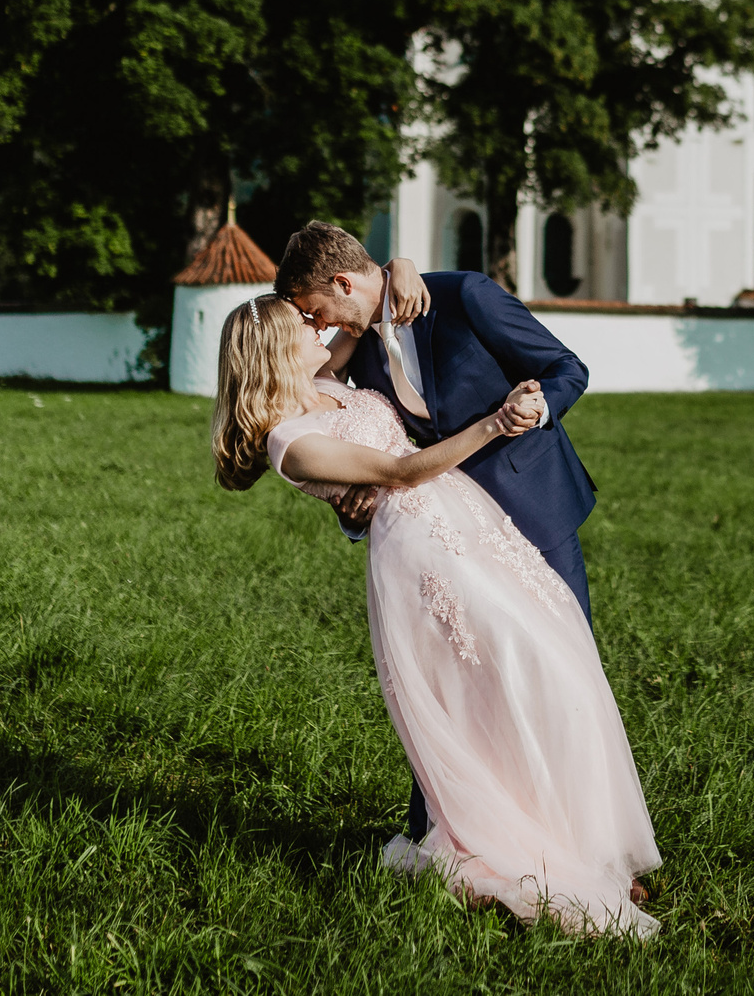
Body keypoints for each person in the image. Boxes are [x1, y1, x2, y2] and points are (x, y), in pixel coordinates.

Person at [210, 292, 659, 936]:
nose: (320, 328)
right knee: (501, 681)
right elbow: (401, 470)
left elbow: (364, 308)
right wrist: (496, 423)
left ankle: (585, 844)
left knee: (551, 671)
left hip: (470, 522)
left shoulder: (323, 379)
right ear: (277, 351)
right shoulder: (292, 441)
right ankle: (520, 849)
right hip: (423, 553)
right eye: (304, 326)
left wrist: (398, 269)